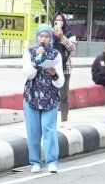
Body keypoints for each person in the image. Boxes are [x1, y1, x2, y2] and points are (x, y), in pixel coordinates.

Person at [23, 24, 65, 173]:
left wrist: (54, 73)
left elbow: (60, 83)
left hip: (50, 97)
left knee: (48, 128)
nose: (43, 39)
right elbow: (28, 74)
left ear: (51, 38)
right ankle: (35, 162)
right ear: (37, 37)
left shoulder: (56, 55)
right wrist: (36, 59)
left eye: (47, 36)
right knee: (33, 130)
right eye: (41, 36)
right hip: (32, 96)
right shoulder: (29, 53)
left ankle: (52, 161)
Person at [51, 12, 77, 122]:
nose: (59, 22)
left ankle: (64, 119)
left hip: (65, 69)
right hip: (51, 69)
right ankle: (51, 120)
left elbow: (72, 49)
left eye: (61, 20)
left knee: (64, 97)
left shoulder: (70, 34)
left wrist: (62, 36)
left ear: (64, 22)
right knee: (51, 95)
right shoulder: (49, 33)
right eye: (56, 20)